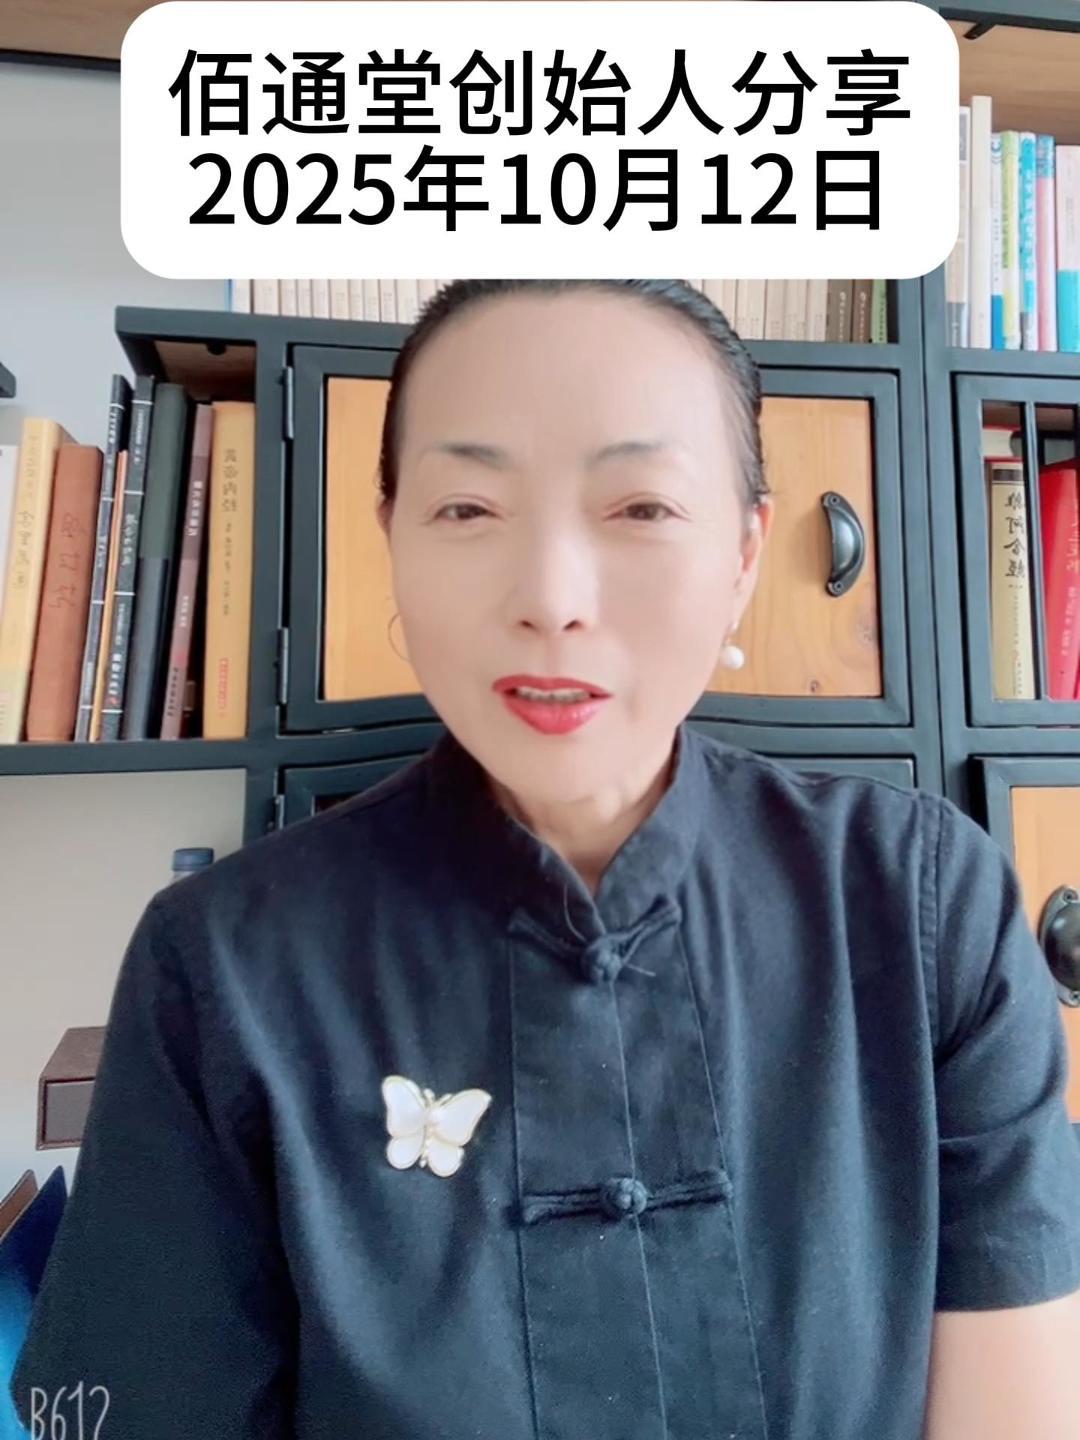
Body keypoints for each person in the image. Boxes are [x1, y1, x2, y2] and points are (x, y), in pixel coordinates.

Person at [10, 279, 1080, 1440]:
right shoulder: (220, 964)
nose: (553, 601)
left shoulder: (925, 904)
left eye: (641, 507)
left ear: (745, 553)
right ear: (392, 540)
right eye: (469, 507)